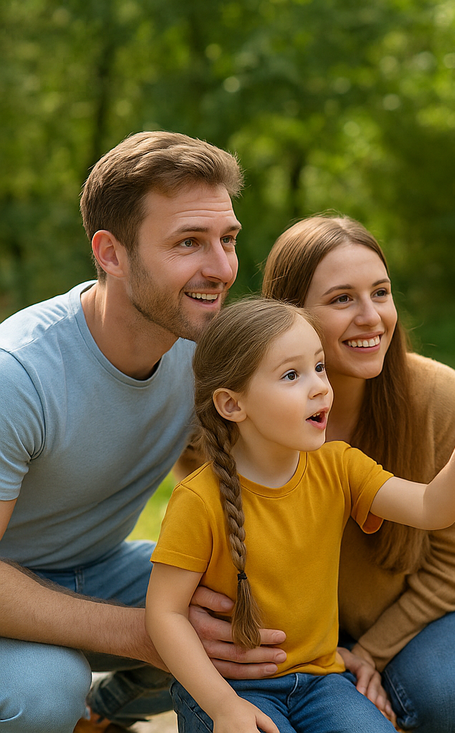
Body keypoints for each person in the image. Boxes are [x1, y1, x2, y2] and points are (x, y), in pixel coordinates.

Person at [0, 131, 283, 733]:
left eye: (227, 240)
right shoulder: (18, 374)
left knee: (243, 609)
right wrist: (151, 631)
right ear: (111, 253)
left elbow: (221, 480)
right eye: (188, 242)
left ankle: (101, 718)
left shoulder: (202, 352)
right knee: (46, 691)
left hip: (95, 566)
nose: (222, 268)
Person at [145, 297, 455, 733]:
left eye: (319, 367)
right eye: (292, 375)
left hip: (321, 681)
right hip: (231, 685)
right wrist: (222, 706)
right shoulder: (199, 499)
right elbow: (164, 614)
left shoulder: (339, 466)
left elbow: (432, 508)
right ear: (232, 404)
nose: (320, 386)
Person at [261, 215, 455, 732]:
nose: (372, 317)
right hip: (288, 629)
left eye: (381, 292)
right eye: (342, 299)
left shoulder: (436, 397)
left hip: (409, 613)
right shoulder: (250, 409)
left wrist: (370, 652)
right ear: (289, 315)